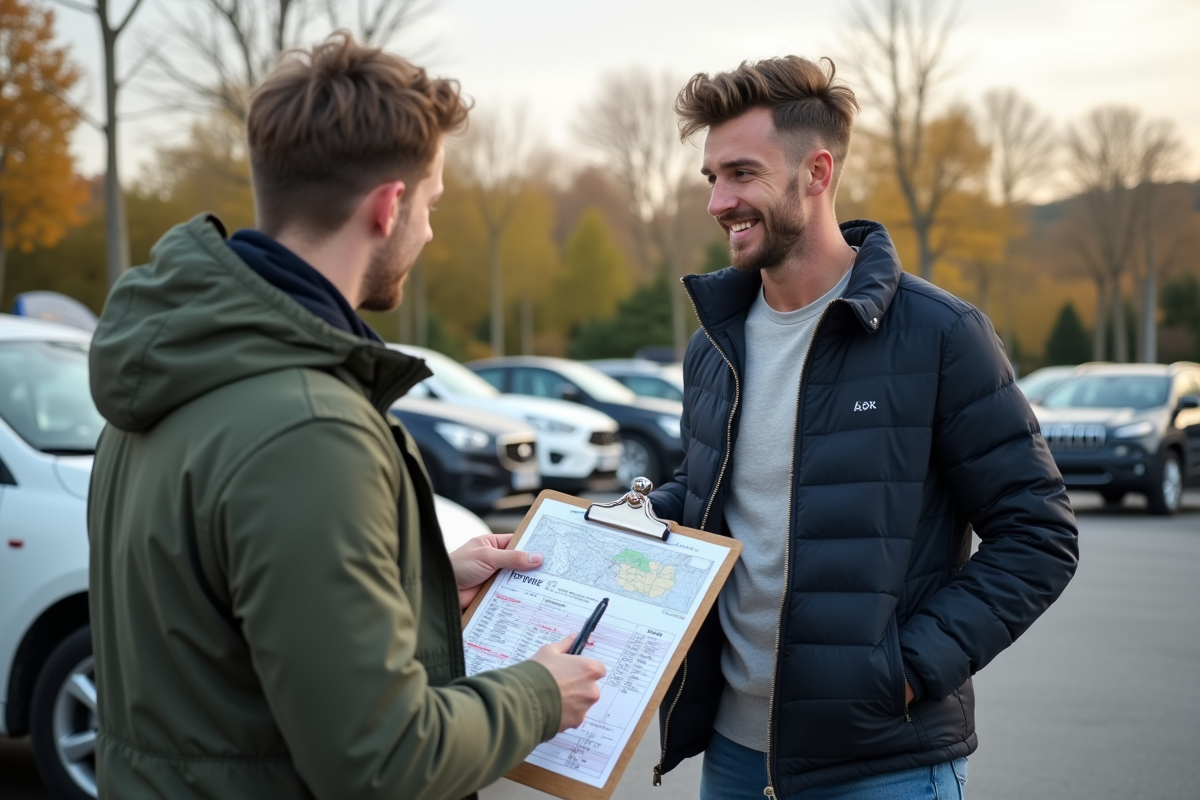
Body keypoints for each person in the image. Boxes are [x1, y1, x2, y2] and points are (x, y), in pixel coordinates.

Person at [86, 32, 604, 800]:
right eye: (430, 204)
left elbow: (221, 639)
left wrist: (421, 582)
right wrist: (538, 695)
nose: (429, 230)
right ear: (389, 205)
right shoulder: (310, 430)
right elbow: (381, 761)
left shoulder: (168, 372)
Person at [647, 56, 1079, 799]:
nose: (719, 201)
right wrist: (583, 534)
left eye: (742, 174)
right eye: (711, 178)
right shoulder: (714, 345)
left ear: (816, 174)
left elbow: (1038, 535)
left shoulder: (939, 335)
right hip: (733, 756)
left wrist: (907, 671)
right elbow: (708, 491)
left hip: (883, 765)